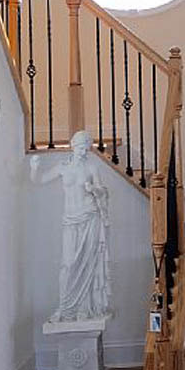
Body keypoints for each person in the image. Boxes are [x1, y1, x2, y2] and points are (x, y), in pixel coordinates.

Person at [29, 130, 112, 322]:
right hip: (70, 219)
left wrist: (95, 189)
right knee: (68, 264)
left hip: (90, 217)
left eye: (86, 147)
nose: (84, 151)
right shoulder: (63, 167)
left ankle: (84, 308)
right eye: (81, 147)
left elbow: (103, 191)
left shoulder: (92, 168)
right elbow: (39, 180)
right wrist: (34, 168)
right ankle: (66, 308)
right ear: (73, 146)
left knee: (87, 263)